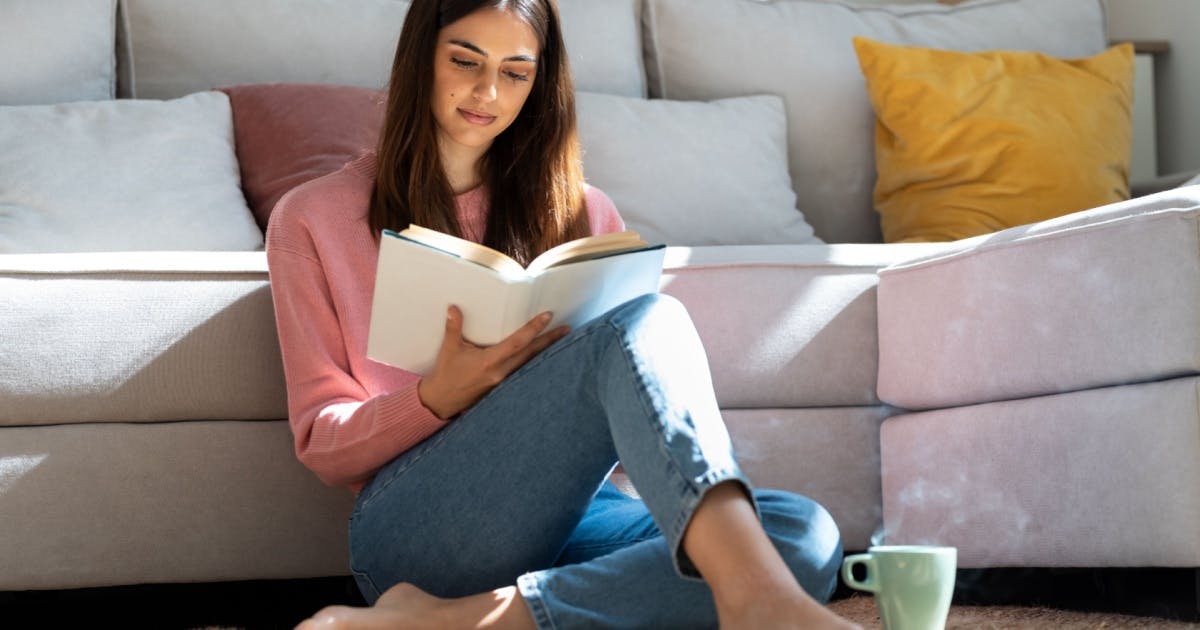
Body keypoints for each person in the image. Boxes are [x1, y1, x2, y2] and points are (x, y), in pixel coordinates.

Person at [267, 0, 862, 628]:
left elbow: (637, 415)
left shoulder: (584, 214)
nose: (487, 91)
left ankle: (452, 622)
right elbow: (321, 442)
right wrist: (437, 397)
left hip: (582, 516)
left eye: (516, 73)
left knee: (800, 536)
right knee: (648, 322)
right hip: (418, 527)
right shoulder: (312, 216)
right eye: (465, 60)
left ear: (540, 83)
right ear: (420, 58)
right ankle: (752, 601)